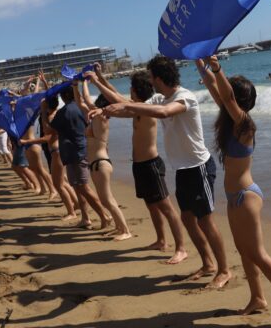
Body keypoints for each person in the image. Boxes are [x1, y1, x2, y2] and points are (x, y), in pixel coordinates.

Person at [103, 55, 231, 289]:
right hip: (182, 168)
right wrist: (107, 109)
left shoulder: (185, 97)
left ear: (159, 78)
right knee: (187, 218)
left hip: (198, 166)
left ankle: (224, 270)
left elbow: (164, 113)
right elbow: (132, 110)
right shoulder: (161, 97)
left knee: (205, 221)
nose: (150, 81)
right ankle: (208, 264)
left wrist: (126, 105)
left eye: (151, 77)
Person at [198, 55, 271, 326]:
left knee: (257, 253)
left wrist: (218, 67)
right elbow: (216, 89)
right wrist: (200, 63)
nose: (224, 99)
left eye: (229, 95)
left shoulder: (245, 124)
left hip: (247, 197)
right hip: (235, 197)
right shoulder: (229, 120)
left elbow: (227, 97)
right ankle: (258, 297)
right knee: (243, 250)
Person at [86, 65, 187, 262]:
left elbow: (117, 99)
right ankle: (161, 240)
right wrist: (99, 77)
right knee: (151, 205)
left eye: (131, 87)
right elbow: (116, 96)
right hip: (140, 165)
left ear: (135, 90)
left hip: (151, 165)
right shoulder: (136, 107)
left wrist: (96, 82)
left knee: (166, 208)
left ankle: (181, 248)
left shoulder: (148, 109)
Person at [73, 78, 132, 241]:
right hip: (96, 164)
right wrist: (73, 86)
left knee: (107, 199)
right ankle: (119, 227)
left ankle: (126, 230)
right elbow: (80, 102)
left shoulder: (102, 117)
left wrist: (84, 81)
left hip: (101, 163)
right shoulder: (95, 118)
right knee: (105, 199)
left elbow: (85, 99)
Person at [51, 85, 111, 230]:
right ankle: (85, 218)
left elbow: (50, 128)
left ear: (64, 96)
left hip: (75, 153)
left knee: (83, 187)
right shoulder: (79, 108)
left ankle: (104, 216)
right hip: (79, 150)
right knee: (78, 187)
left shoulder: (65, 111)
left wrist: (44, 109)